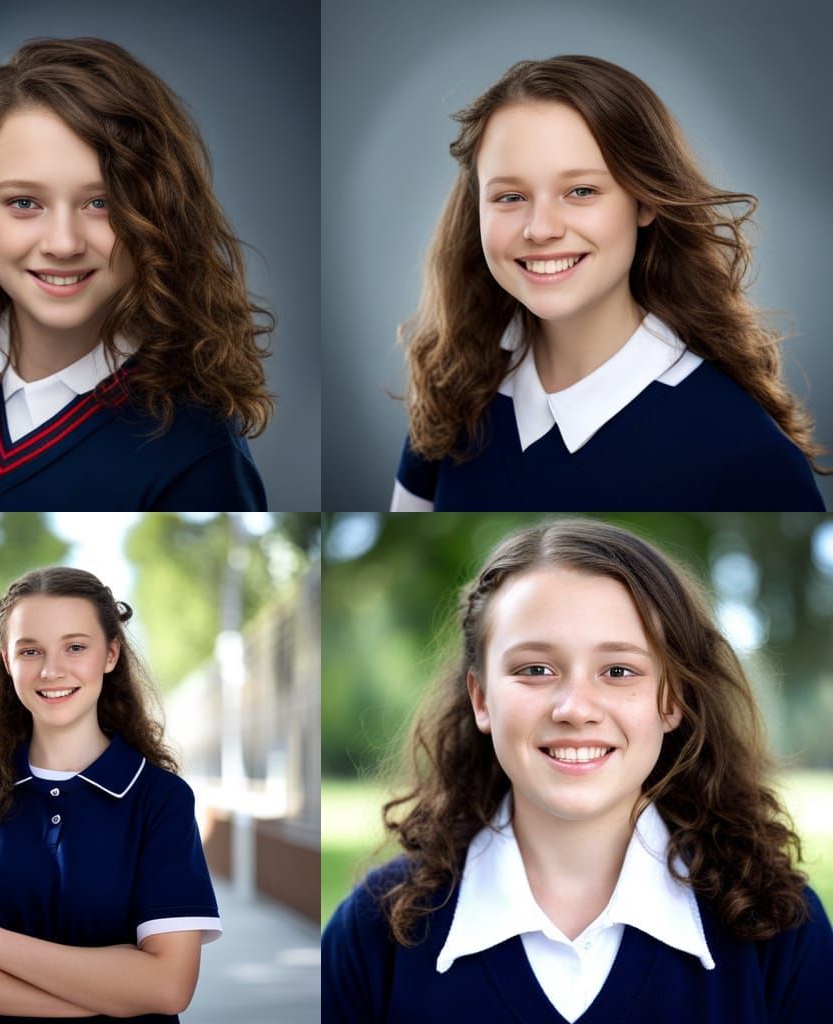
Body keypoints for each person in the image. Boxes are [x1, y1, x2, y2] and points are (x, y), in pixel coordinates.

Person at [323, 519, 833, 1022]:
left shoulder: (782, 933)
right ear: (481, 699)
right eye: (535, 670)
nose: (575, 708)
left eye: (618, 671)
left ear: (673, 698)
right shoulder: (373, 935)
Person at [391, 55, 826, 512]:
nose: (540, 229)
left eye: (581, 191)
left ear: (645, 200)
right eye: (510, 197)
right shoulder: (450, 396)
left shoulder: (746, 450)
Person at [0, 37, 272, 511]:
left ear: (155, 211)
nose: (63, 243)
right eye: (24, 203)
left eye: (101, 203)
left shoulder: (202, 456)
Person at [0, 567, 220, 1022]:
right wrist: (103, 998)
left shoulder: (161, 800)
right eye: (30, 650)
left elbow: (168, 987)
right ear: (8, 662)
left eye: (75, 647)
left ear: (110, 654)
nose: (51, 670)